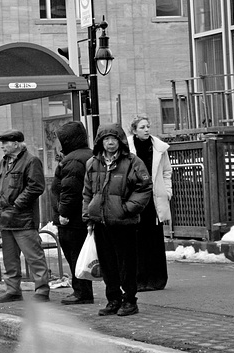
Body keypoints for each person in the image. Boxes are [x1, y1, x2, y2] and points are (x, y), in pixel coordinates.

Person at [83, 123, 152, 316]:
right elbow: (87, 192)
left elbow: (144, 187)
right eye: (106, 139)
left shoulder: (132, 161)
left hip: (124, 223)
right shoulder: (92, 163)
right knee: (107, 265)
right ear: (100, 142)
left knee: (126, 264)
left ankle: (130, 300)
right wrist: (88, 214)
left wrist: (127, 209)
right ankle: (113, 299)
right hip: (101, 222)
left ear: (120, 140)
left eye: (114, 139)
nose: (110, 143)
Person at [0, 129, 50, 303]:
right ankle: (13, 290)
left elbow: (36, 187)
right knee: (9, 258)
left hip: (23, 219)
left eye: (5, 143)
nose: (2, 146)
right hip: (5, 217)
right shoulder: (3, 163)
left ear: (16, 144)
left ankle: (42, 289)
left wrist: (15, 206)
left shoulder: (31, 161)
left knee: (34, 256)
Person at [51, 121, 94, 305]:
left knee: (75, 254)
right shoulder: (87, 154)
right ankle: (82, 291)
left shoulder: (73, 160)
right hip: (81, 217)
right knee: (79, 254)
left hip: (72, 219)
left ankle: (81, 292)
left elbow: (70, 189)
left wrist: (63, 213)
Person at [127, 116, 172, 292]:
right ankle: (139, 280)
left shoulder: (159, 148)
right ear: (134, 130)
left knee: (155, 240)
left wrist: (167, 191)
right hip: (136, 198)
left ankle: (157, 280)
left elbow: (167, 171)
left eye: (148, 126)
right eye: (142, 127)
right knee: (137, 240)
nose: (146, 129)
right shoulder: (127, 148)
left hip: (154, 199)